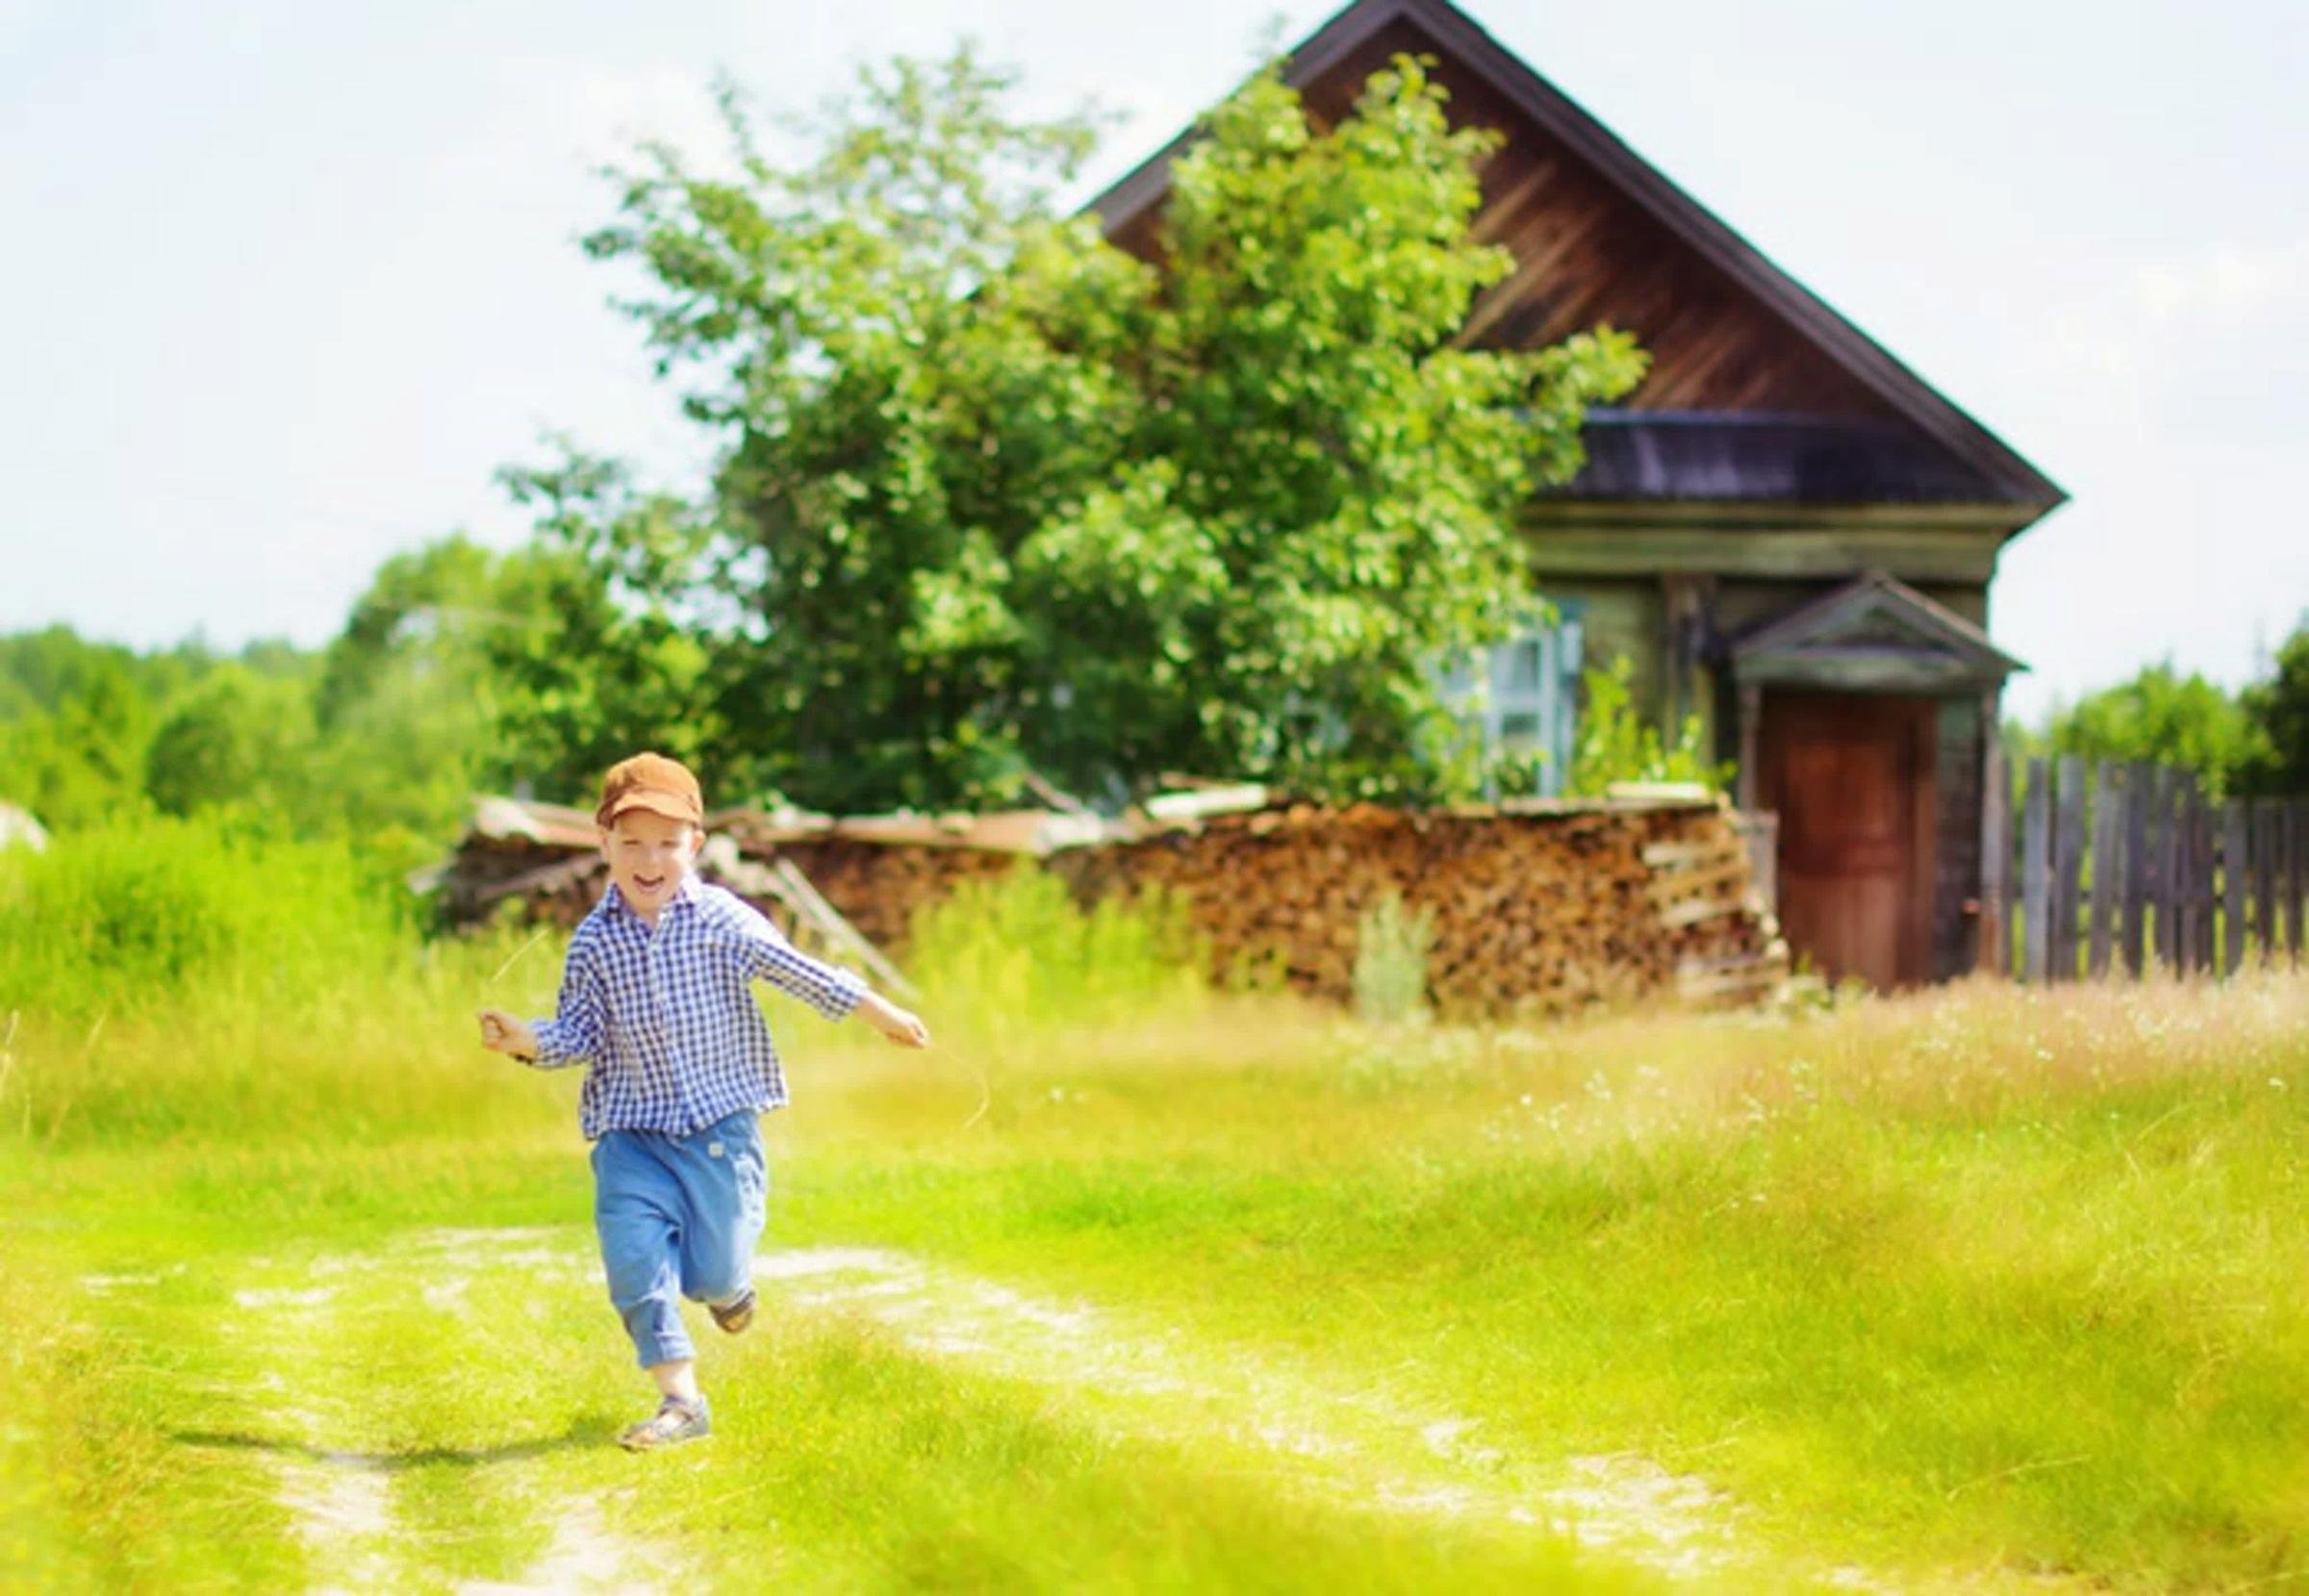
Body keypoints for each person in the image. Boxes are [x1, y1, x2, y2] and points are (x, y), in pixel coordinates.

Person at [476, 751, 930, 1451]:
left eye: (667, 842)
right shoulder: (594, 941)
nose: (649, 859)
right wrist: (526, 1039)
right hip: (631, 1132)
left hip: (718, 1128)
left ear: (696, 845)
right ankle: (681, 1400)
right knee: (634, 1261)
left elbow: (797, 971)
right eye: (632, 843)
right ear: (604, 844)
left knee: (714, 1269)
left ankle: (728, 1289)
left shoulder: (722, 919)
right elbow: (580, 1031)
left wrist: (881, 1013)